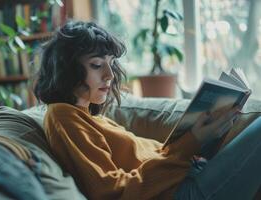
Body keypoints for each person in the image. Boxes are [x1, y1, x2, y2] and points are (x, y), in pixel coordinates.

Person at [33, 20, 261, 200]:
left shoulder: (91, 117)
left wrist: (200, 139)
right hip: (182, 193)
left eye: (111, 64)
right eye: (96, 65)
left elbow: (154, 160)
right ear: (66, 69)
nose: (110, 76)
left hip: (188, 176)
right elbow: (111, 191)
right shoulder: (62, 117)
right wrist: (191, 141)